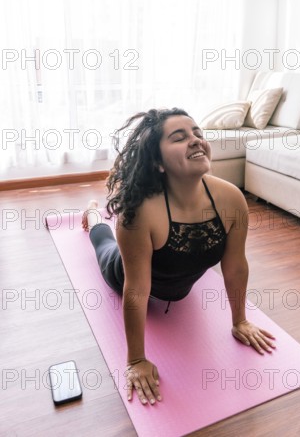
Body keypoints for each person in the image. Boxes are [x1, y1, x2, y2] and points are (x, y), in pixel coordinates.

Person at [82, 107, 276, 406]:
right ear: (158, 162)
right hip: (125, 273)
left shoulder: (231, 199)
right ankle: (94, 214)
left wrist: (240, 321)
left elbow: (235, 266)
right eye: (179, 137)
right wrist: (136, 360)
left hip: (179, 284)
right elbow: (136, 290)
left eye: (198, 132)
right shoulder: (140, 214)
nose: (196, 139)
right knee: (102, 242)